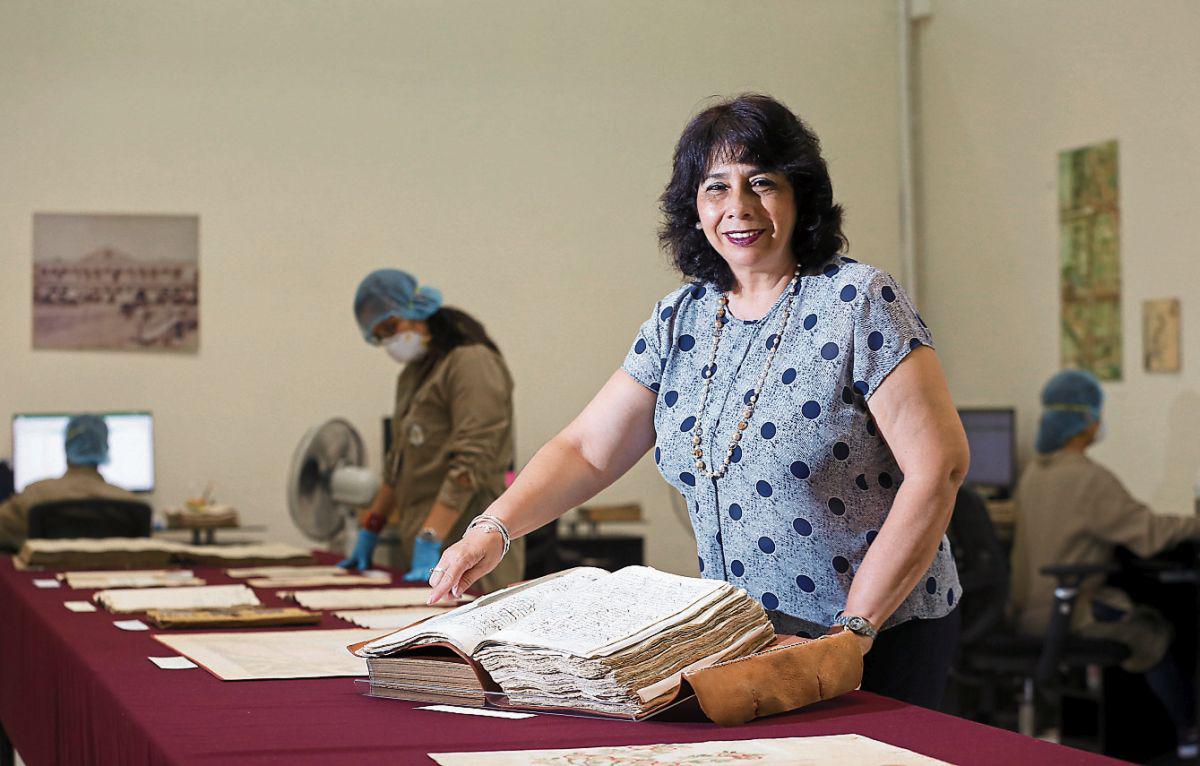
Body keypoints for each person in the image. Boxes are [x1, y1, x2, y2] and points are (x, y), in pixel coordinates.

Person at [426, 94, 969, 709]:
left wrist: (854, 632)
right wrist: (491, 530)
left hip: (878, 633)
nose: (738, 207)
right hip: (747, 637)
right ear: (694, 206)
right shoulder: (680, 318)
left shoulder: (858, 300)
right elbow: (588, 450)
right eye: (716, 188)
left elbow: (939, 466)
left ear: (800, 195)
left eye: (761, 182)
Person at [1009, 369, 1200, 756]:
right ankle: (1188, 734)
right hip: (1067, 615)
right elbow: (1149, 534)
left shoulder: (1034, 473)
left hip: (1024, 612)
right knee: (1154, 633)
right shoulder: (1090, 479)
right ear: (1085, 420)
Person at [339, 269, 524, 593]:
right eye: (380, 336)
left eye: (392, 327)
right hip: (425, 550)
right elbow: (397, 463)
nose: (390, 342)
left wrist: (430, 537)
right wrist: (371, 528)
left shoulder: (471, 362)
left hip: (470, 550)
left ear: (418, 309)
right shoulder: (413, 375)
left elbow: (472, 462)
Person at [0, 414, 139, 551]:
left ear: (66, 447)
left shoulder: (34, 496)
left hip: (46, 572)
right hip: (109, 572)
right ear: (105, 448)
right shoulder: (129, 503)